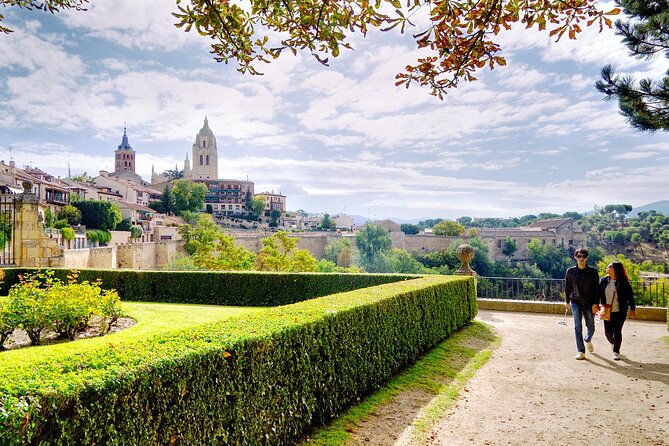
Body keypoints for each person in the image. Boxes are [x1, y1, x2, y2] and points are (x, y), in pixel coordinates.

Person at [564, 248, 600, 360]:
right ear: (575, 257)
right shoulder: (570, 272)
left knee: (591, 327)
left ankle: (588, 339)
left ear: (587, 258)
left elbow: (596, 289)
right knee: (577, 326)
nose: (581, 258)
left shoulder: (593, 272)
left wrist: (595, 303)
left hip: (589, 302)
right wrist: (567, 301)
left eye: (583, 256)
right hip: (575, 301)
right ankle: (581, 351)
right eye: (579, 256)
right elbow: (568, 287)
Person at [598, 262, 636, 360]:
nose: (607, 267)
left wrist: (632, 308)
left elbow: (630, 295)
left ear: (615, 269)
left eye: (610, 266)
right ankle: (614, 343)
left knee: (617, 331)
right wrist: (595, 304)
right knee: (607, 332)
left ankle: (616, 352)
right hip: (607, 310)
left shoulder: (623, 281)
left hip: (620, 310)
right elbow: (598, 293)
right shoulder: (603, 280)